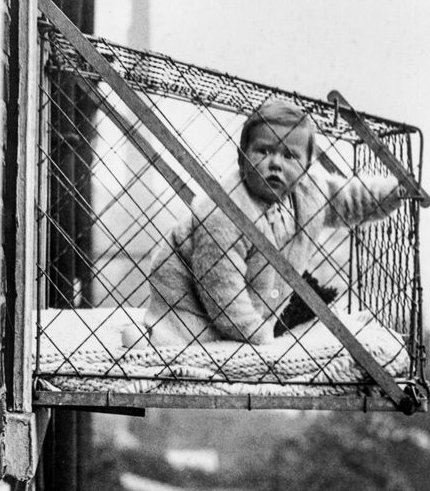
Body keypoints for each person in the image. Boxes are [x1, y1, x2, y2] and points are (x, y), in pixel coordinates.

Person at [123, 99, 404, 348]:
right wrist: (257, 337)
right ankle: (153, 335)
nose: (276, 163)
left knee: (302, 308)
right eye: (263, 151)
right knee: (186, 339)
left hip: (256, 296)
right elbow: (222, 289)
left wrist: (392, 193)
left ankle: (255, 325)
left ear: (306, 168)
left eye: (290, 155)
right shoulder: (224, 213)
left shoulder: (309, 193)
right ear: (242, 159)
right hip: (188, 301)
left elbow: (350, 199)